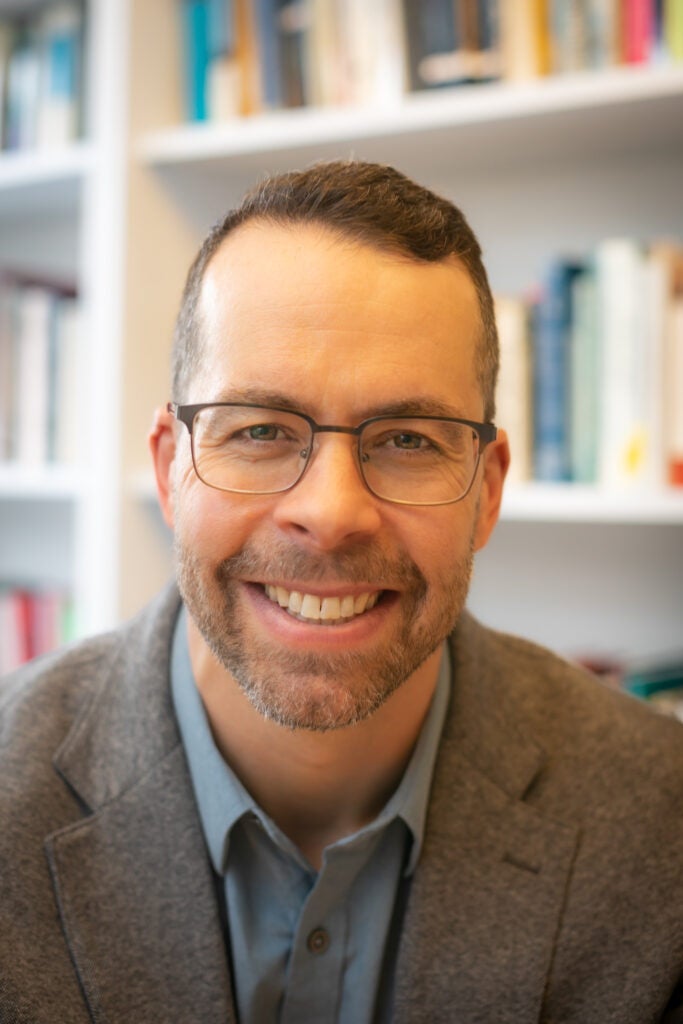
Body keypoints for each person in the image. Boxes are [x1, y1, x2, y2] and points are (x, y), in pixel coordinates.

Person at [1, 160, 682, 1024]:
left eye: (405, 438)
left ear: (487, 489)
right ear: (172, 470)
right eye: (258, 430)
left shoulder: (664, 824)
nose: (330, 515)